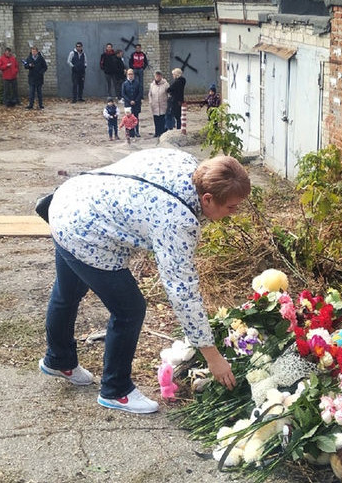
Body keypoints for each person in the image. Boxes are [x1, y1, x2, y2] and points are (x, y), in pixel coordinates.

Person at [38, 148, 250, 414]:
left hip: (70, 200)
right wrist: (212, 356)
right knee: (129, 308)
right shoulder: (178, 222)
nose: (235, 212)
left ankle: (58, 360)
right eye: (231, 206)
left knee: (68, 290)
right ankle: (116, 390)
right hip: (87, 232)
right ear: (207, 198)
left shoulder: (185, 163)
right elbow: (182, 290)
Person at [121, 68, 142, 137]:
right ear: (127, 75)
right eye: (129, 74)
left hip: (136, 103)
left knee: (136, 118)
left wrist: (135, 101)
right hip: (128, 104)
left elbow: (140, 93)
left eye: (131, 74)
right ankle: (129, 133)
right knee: (128, 119)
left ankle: (137, 132)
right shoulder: (124, 84)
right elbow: (123, 94)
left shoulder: (137, 83)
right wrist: (129, 101)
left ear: (134, 75)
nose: (130, 75)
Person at [148, 70, 169, 138]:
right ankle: (157, 132)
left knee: (162, 119)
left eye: (159, 75)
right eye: (156, 75)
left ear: (161, 76)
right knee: (156, 119)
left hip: (163, 105)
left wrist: (168, 101)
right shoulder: (152, 85)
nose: (157, 77)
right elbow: (150, 94)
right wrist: (150, 102)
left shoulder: (165, 84)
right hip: (155, 105)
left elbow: (169, 94)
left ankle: (163, 133)